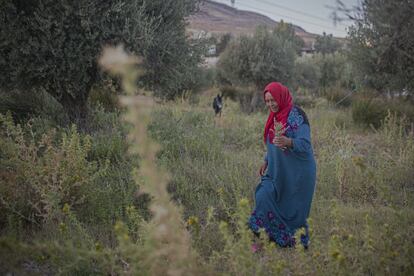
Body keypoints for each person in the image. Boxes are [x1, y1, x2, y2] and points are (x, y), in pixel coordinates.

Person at [248, 82, 316, 249]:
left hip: (299, 172)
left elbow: (305, 144)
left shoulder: (297, 115)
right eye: (267, 101)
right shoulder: (274, 116)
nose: (270, 104)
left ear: (281, 97)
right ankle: (264, 238)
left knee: (294, 209)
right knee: (264, 195)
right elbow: (273, 142)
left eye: (273, 100)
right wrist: (266, 160)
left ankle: (291, 241)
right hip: (279, 170)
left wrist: (289, 141)